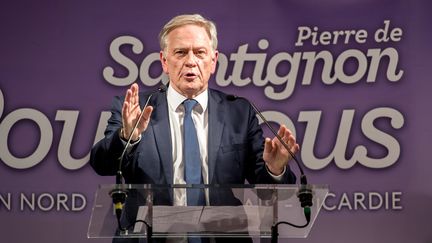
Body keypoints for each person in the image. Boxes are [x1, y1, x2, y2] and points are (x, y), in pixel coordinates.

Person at [90, 14, 300, 243]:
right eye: (180, 52)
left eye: (200, 52)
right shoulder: (134, 109)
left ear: (213, 60)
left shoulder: (239, 113)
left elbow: (269, 191)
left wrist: (275, 169)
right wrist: (127, 137)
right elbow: (101, 164)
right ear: (164, 61)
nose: (191, 61)